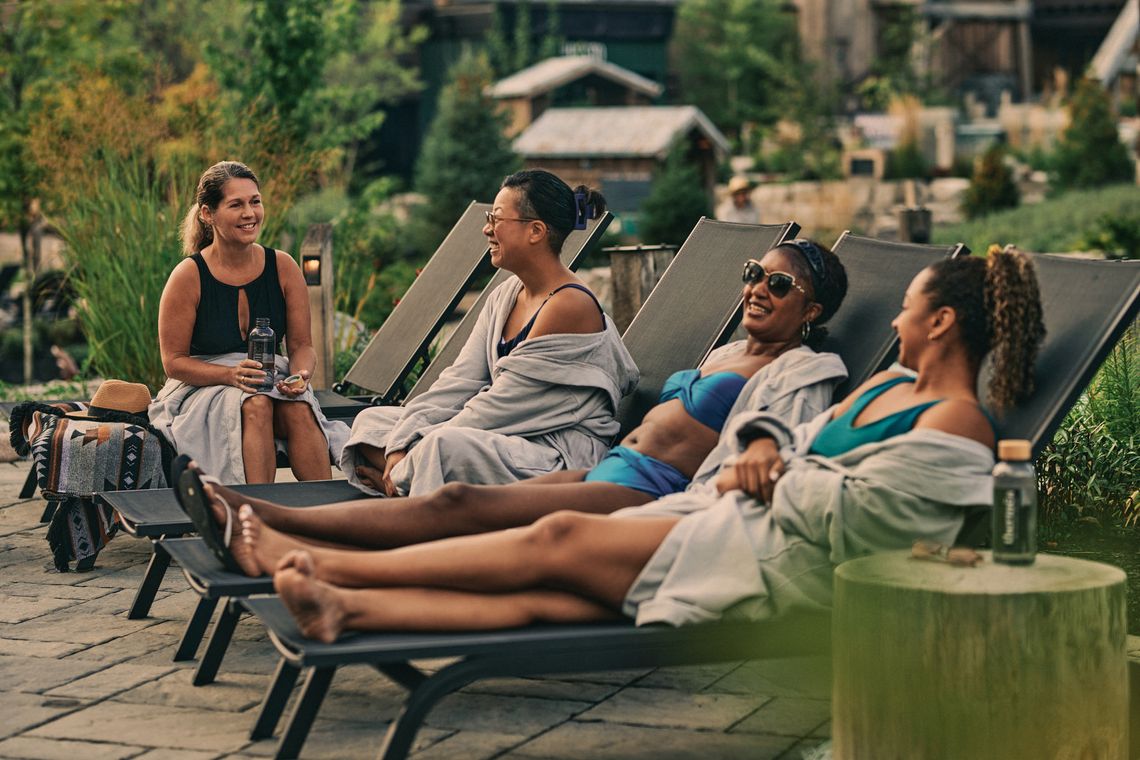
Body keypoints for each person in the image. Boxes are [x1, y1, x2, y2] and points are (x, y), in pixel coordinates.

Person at [224, 244, 1046, 640]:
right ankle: (345, 604)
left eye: (908, 306)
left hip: (767, 559)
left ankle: (321, 564)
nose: (896, 319)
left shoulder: (957, 429)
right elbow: (784, 431)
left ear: (938, 322)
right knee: (548, 596)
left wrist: (764, 472)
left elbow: (863, 521)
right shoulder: (893, 387)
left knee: (549, 539)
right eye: (753, 275)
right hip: (723, 516)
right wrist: (760, 445)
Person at [182, 239, 850, 563]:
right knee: (454, 501)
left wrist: (761, 446)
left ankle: (268, 530)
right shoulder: (725, 353)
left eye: (779, 283)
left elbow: (784, 431)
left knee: (459, 502)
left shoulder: (806, 367)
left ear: (811, 310)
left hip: (652, 488)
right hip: (610, 467)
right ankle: (249, 513)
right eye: (753, 273)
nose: (758, 287)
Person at [341, 170, 638, 497]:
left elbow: (500, 407)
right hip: (502, 438)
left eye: (496, 219)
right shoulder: (506, 294)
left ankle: (403, 488)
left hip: (553, 454)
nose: (486, 229)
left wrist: (416, 446)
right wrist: (401, 443)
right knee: (372, 422)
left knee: (439, 447)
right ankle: (406, 482)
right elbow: (459, 381)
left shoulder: (568, 306)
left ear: (535, 231)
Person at [150, 161, 348, 484]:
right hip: (206, 385)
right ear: (207, 214)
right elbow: (173, 363)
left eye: (255, 201)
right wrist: (230, 375)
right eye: (236, 204)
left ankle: (325, 518)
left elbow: (301, 346)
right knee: (256, 405)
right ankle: (257, 518)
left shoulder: (283, 268)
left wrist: (300, 375)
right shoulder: (188, 277)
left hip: (271, 380)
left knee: (298, 408)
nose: (250, 213)